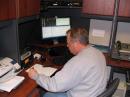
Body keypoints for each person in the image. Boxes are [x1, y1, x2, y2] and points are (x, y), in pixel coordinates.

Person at [27, 27, 107, 97]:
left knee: (47, 95)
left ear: (76, 43)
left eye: (68, 43)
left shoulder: (78, 62)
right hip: (94, 93)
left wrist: (36, 76)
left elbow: (54, 85)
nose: (67, 46)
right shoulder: (98, 52)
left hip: (84, 94)